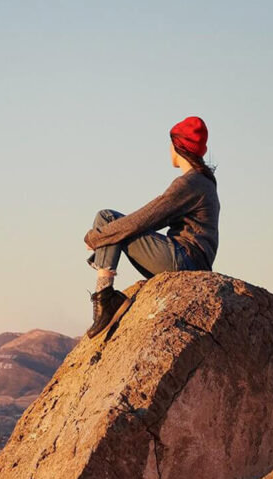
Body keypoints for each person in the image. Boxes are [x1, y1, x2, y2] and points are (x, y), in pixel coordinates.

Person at [83, 116, 220, 338]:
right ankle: (106, 298)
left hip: (184, 261)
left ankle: (105, 297)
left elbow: (145, 218)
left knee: (106, 219)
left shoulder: (190, 183)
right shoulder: (202, 182)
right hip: (190, 259)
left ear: (178, 146)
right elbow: (153, 219)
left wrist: (97, 238)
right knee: (110, 223)